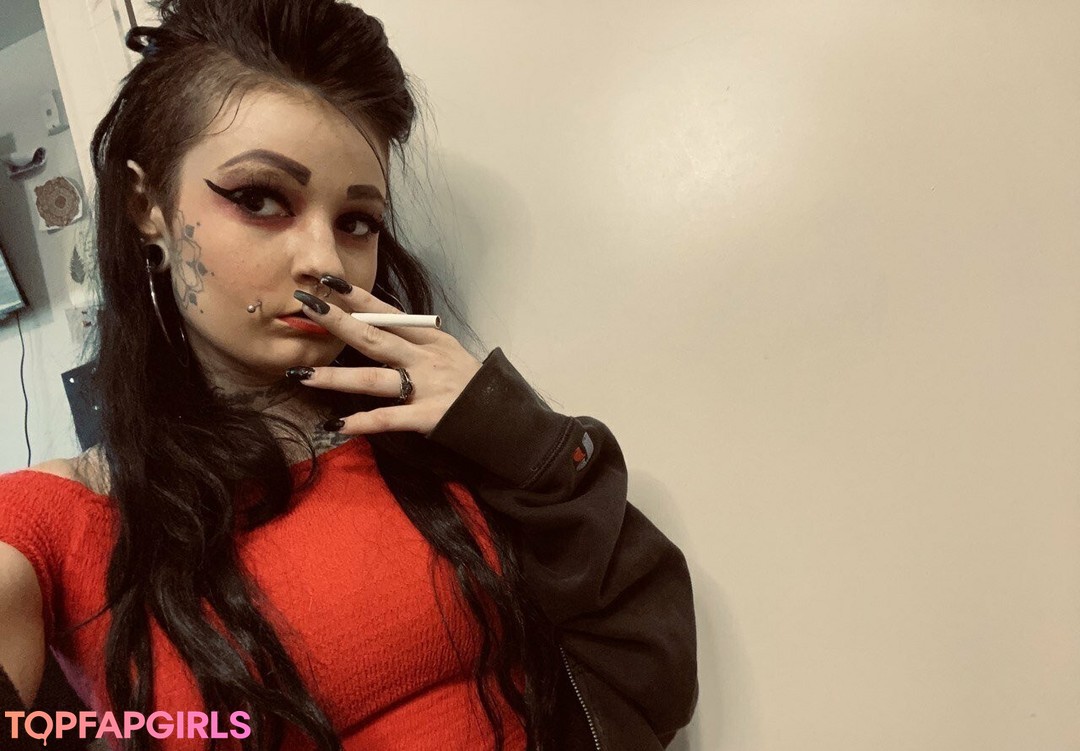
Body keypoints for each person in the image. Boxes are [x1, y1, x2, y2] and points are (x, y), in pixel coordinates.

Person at [0, 0, 698, 749]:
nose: (325, 261)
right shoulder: (59, 520)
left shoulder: (433, 433)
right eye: (261, 199)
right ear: (148, 207)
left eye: (357, 221)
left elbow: (647, 666)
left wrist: (513, 431)